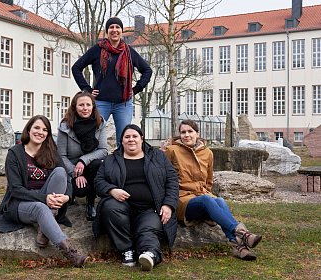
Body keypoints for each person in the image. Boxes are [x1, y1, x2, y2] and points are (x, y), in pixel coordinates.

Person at [0, 115, 89, 267]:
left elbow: (67, 178)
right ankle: (71, 253)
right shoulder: (15, 153)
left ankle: (44, 228)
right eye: (37, 128)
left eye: (45, 130)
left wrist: (66, 197)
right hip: (20, 202)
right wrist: (44, 198)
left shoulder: (51, 151)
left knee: (59, 172)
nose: (40, 132)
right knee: (40, 207)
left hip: (48, 200)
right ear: (29, 130)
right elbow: (16, 189)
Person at [164, 119, 262, 261]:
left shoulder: (208, 153)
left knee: (219, 200)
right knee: (207, 199)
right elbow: (163, 177)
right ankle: (243, 234)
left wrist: (206, 194)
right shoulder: (171, 150)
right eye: (183, 132)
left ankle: (238, 246)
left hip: (203, 196)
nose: (186, 135)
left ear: (197, 133)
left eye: (190, 131)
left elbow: (209, 180)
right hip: (182, 200)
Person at [93, 124, 178, 271]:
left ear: (142, 139)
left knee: (148, 230)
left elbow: (172, 180)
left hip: (150, 209)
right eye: (127, 137)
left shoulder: (158, 156)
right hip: (122, 208)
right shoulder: (111, 160)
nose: (131, 140)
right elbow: (98, 182)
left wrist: (168, 205)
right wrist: (112, 190)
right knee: (109, 207)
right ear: (122, 140)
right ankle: (127, 250)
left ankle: (149, 255)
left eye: (134, 136)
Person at [72, 16, 152, 147]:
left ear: (121, 31)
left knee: (125, 140)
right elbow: (76, 67)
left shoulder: (128, 52)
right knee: (94, 136)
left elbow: (147, 70)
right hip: (101, 102)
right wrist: (87, 90)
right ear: (107, 31)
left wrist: (136, 89)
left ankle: (123, 166)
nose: (114, 30)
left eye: (117, 27)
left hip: (123, 104)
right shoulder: (97, 49)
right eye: (111, 27)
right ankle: (95, 165)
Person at [57, 91, 108, 221]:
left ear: (93, 107)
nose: (85, 108)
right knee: (80, 190)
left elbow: (103, 150)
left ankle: (90, 203)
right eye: (81, 105)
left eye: (88, 105)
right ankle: (71, 193)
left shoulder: (99, 123)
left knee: (98, 164)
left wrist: (83, 160)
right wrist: (76, 172)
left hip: (90, 165)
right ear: (74, 107)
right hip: (72, 168)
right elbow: (61, 155)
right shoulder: (65, 126)